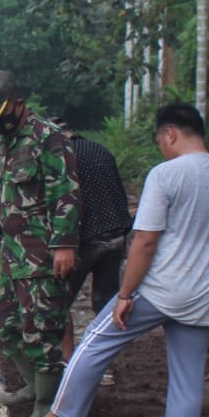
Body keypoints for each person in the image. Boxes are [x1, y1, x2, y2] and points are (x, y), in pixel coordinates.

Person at [23, 103, 209, 417]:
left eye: (160, 140)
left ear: (170, 133)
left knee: (96, 340)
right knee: (188, 380)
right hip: (202, 296)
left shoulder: (166, 174)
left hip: (160, 289)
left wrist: (125, 294)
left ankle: (61, 416)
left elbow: (145, 241)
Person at [0, 70, 81, 417]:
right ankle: (34, 388)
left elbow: (66, 191)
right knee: (0, 321)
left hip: (43, 254)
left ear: (18, 103)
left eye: (0, 114)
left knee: (42, 330)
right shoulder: (6, 144)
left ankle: (48, 407)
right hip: (11, 255)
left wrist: (64, 244)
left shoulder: (48, 138)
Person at [51, 118, 134, 364]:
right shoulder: (100, 149)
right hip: (115, 235)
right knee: (105, 305)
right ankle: (103, 363)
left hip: (84, 239)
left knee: (58, 302)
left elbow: (64, 202)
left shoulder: (62, 156)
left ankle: (69, 361)